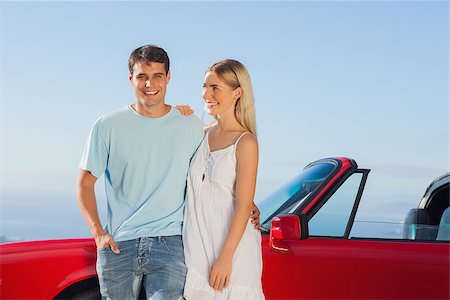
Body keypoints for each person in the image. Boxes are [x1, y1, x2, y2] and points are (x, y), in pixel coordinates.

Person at [76, 45, 260, 300]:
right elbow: (84, 183)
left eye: (157, 76)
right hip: (122, 244)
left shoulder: (191, 127)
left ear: (168, 78)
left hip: (172, 244)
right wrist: (98, 232)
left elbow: (227, 178)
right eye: (142, 76)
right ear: (131, 79)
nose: (150, 84)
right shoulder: (109, 126)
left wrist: (248, 203)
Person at [183, 59, 265, 299]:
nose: (206, 94)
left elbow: (243, 206)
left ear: (237, 93)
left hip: (232, 255)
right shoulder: (201, 133)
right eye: (205, 86)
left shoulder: (246, 142)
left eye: (215, 88)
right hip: (198, 250)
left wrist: (225, 258)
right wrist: (179, 114)